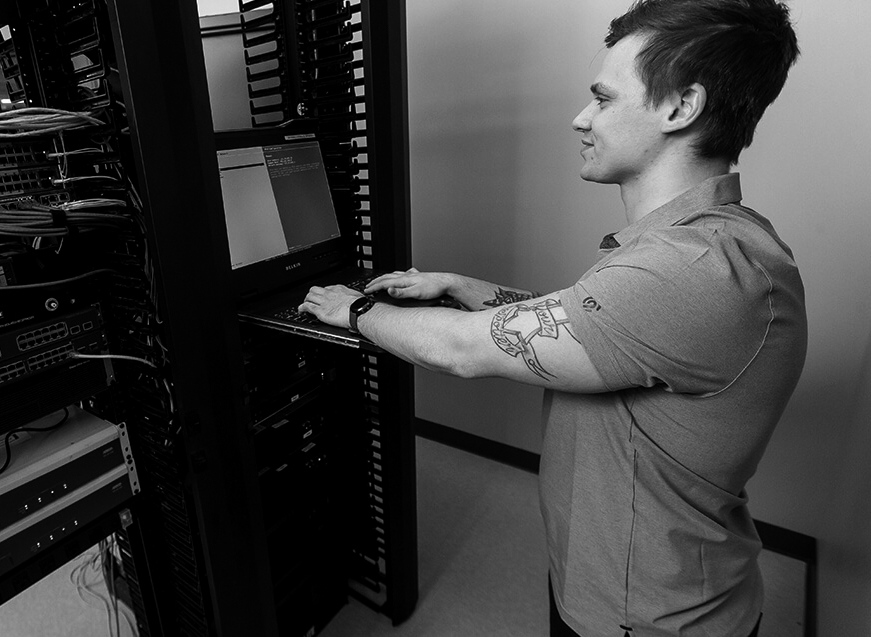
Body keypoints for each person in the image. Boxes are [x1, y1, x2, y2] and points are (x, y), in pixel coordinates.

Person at [298, 0, 806, 635]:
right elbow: (578, 326)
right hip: (617, 580)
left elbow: (463, 352)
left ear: (681, 108)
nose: (580, 118)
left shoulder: (692, 272)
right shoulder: (700, 246)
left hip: (644, 615)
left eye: (602, 98)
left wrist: (354, 310)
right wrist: (460, 285)